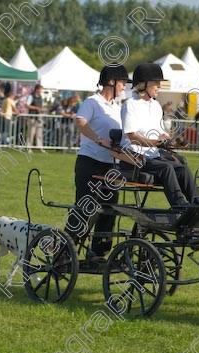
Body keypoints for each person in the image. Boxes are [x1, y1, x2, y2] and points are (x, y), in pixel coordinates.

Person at [65, 64, 132, 262]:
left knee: (109, 211)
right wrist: (97, 139)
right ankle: (64, 251)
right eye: (122, 83)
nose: (124, 87)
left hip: (111, 166)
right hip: (90, 162)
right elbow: (80, 122)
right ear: (111, 82)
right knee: (85, 209)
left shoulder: (117, 108)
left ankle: (97, 253)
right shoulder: (92, 102)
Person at [119, 62, 199, 207]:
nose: (159, 86)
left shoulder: (156, 105)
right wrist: (157, 143)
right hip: (134, 158)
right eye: (156, 83)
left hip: (153, 157)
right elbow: (132, 137)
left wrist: (174, 141)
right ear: (143, 84)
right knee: (166, 168)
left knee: (182, 169)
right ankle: (181, 206)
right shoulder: (130, 105)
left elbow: (162, 134)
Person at [26, 84, 46, 153]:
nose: (41, 91)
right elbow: (27, 105)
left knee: (39, 133)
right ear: (37, 89)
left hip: (39, 117)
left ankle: (40, 147)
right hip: (32, 117)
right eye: (40, 89)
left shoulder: (41, 97)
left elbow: (42, 106)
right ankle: (29, 148)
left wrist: (42, 109)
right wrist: (36, 108)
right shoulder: (31, 96)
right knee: (31, 133)